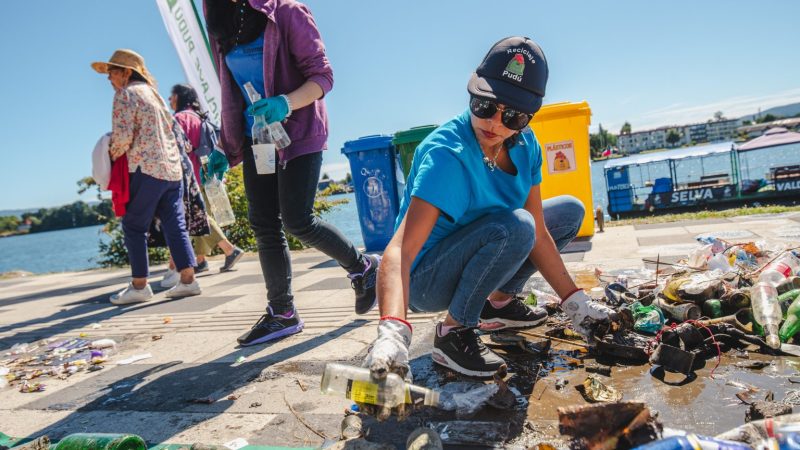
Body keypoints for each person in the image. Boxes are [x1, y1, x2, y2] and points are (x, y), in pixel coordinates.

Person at [363, 36, 616, 399]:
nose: (495, 123)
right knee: (516, 227)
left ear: (528, 118)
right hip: (426, 279)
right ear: (471, 94)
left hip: (489, 243)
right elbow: (400, 250)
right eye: (484, 105)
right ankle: (453, 334)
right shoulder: (446, 155)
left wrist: (576, 305)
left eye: (512, 115)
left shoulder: (527, 146)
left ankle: (499, 304)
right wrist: (393, 331)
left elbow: (541, 234)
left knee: (567, 213)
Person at [204, 0, 379, 346]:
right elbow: (233, 94)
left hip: (299, 129)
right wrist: (225, 147)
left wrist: (285, 102)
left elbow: (322, 77)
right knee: (264, 222)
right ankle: (281, 312)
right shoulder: (221, 21)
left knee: (297, 220)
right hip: (258, 136)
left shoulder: (287, 11)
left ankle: (362, 267)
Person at [92, 49, 202, 304]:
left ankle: (139, 286)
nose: (109, 79)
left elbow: (123, 138)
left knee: (133, 225)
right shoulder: (155, 95)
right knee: (176, 225)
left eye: (112, 73)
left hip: (144, 168)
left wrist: (108, 152)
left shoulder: (126, 94)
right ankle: (188, 280)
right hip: (172, 169)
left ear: (126, 73)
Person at [160, 84, 244, 288]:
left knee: (196, 215)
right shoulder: (199, 117)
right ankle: (200, 261)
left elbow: (177, 147)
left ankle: (229, 249)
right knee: (200, 215)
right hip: (207, 172)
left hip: (190, 174)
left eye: (172, 96)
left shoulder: (180, 118)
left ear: (179, 97)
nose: (170, 100)